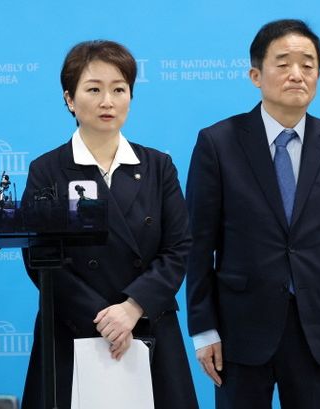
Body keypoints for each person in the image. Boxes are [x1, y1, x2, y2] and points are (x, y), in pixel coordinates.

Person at [185, 19, 320, 408]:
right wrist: (204, 329)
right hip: (239, 330)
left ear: (319, 76)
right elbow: (197, 245)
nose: (296, 74)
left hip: (318, 329)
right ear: (256, 75)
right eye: (283, 63)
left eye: (308, 64)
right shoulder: (218, 143)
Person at [20, 40, 199, 409]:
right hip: (72, 329)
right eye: (93, 89)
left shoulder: (158, 166)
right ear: (69, 99)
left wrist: (132, 308)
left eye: (119, 89)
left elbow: (178, 248)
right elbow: (39, 256)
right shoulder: (47, 170)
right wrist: (103, 318)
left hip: (148, 323)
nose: (108, 101)